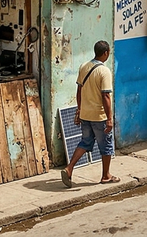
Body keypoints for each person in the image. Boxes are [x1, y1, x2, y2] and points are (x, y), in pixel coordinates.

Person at [62, 41, 116, 187]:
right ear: (106, 53)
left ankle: (69, 168)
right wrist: (109, 118)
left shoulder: (84, 66)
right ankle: (106, 175)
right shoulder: (104, 71)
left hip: (85, 114)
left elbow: (79, 91)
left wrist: (79, 110)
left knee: (85, 142)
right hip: (99, 116)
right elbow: (106, 96)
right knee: (106, 145)